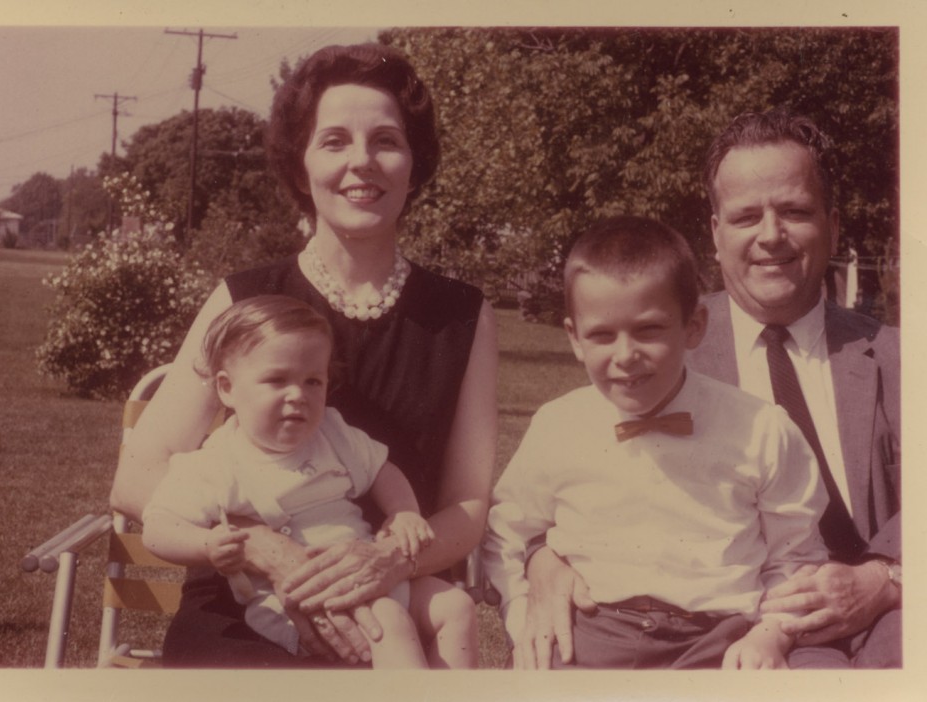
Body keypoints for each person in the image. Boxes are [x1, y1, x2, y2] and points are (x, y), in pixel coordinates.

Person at [110, 43, 498, 667]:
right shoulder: (243, 298)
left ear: (414, 164)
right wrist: (265, 549)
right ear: (300, 166)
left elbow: (468, 508)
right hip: (245, 610)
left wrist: (382, 563)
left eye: (386, 141)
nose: (361, 163)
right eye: (335, 141)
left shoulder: (462, 317)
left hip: (398, 601)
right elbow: (135, 480)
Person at [521, 109, 900, 669]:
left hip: (882, 616)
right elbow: (564, 480)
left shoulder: (898, 356)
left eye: (795, 211)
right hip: (732, 627)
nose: (771, 236)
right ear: (717, 233)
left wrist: (886, 580)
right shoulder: (658, 350)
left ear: (835, 226)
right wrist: (540, 559)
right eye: (746, 216)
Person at [482, 215, 828, 669]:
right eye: (602, 335)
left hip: (717, 640)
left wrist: (770, 635)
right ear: (575, 338)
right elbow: (507, 531)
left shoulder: (762, 429)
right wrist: (524, 614)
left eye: (648, 330)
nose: (626, 356)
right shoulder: (559, 425)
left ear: (694, 326)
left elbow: (796, 557)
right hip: (588, 633)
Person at [142, 296, 477, 668]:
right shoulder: (217, 463)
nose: (298, 395)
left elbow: (382, 468)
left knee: (457, 606)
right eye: (276, 380)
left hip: (368, 576)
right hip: (295, 602)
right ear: (226, 388)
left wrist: (402, 512)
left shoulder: (332, 433)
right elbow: (158, 525)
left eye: (313, 381)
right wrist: (205, 544)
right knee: (391, 622)